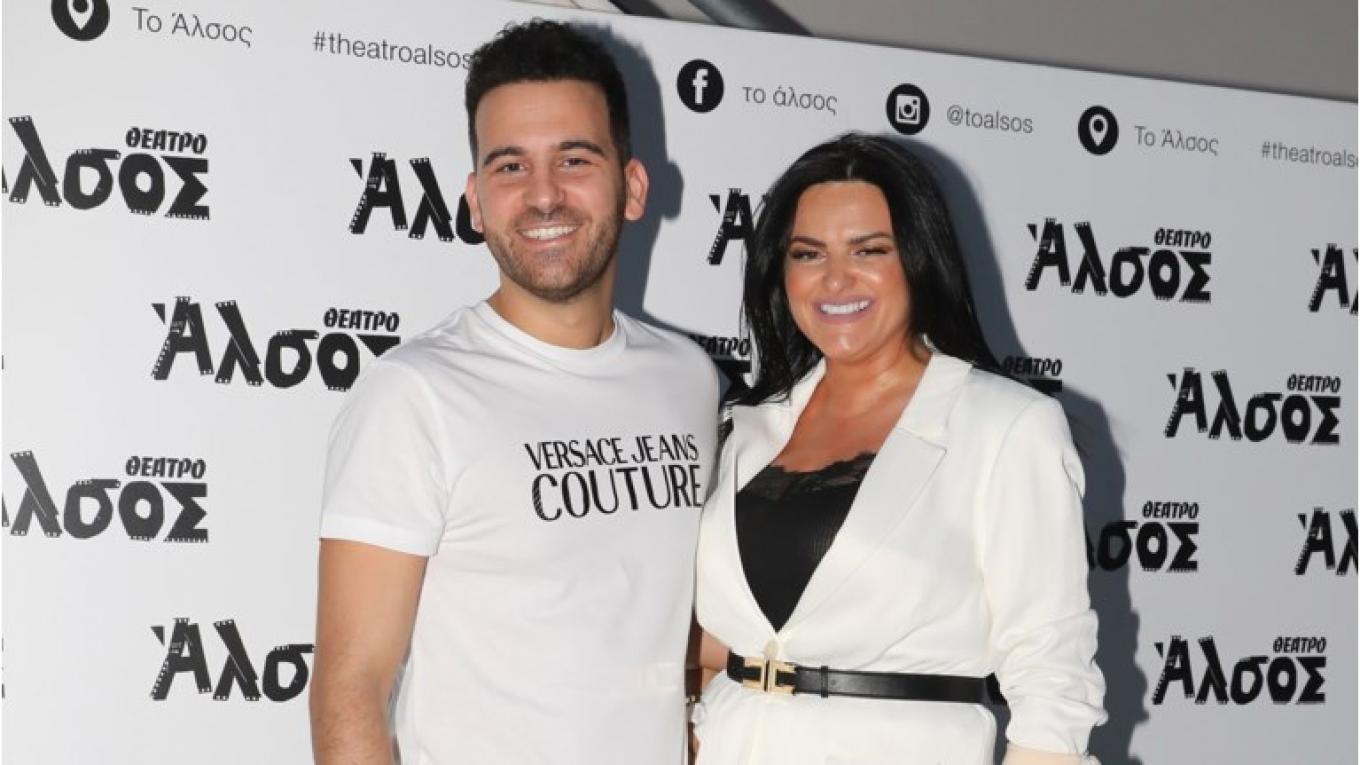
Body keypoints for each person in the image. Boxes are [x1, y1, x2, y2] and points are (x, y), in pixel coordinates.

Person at [310, 20, 719, 765]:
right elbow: (351, 688)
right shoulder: (416, 396)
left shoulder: (687, 378)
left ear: (632, 186)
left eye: (574, 159)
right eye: (510, 167)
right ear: (475, 201)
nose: (543, 195)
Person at [692, 133, 1105, 765]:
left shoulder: (1006, 425)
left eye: (869, 250)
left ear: (918, 259)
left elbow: (1053, 677)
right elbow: (723, 637)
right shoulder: (741, 425)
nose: (835, 278)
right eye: (808, 253)